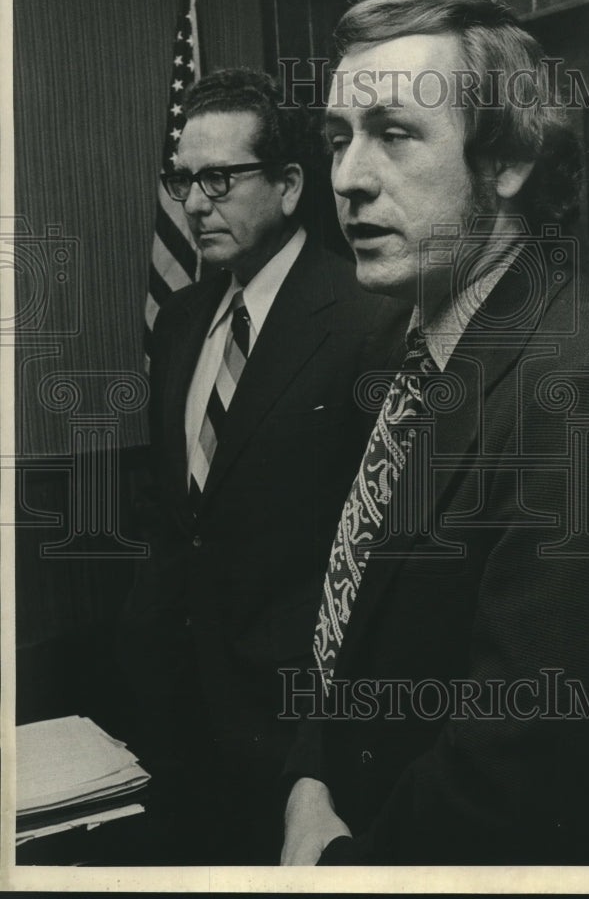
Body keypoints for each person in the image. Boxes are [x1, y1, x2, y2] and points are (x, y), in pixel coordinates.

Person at [280, 0, 589, 866]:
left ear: (504, 162)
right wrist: (310, 778)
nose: (347, 177)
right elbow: (358, 616)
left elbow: (530, 777)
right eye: (337, 138)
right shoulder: (407, 342)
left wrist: (336, 867)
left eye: (393, 133)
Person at [119, 68, 403, 864]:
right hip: (175, 711)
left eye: (219, 178)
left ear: (286, 186)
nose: (195, 203)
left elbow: (376, 554)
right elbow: (175, 516)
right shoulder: (180, 320)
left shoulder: (367, 320)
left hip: (296, 727)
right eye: (182, 180)